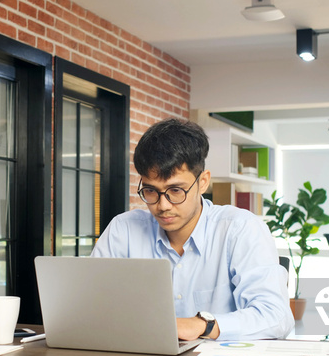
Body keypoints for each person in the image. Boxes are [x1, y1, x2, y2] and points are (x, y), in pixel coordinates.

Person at [90, 118, 294, 341]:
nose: (163, 205)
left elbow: (276, 316)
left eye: (176, 190)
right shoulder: (124, 229)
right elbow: (90, 303)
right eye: (150, 191)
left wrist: (202, 325)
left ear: (203, 182)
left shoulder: (240, 229)